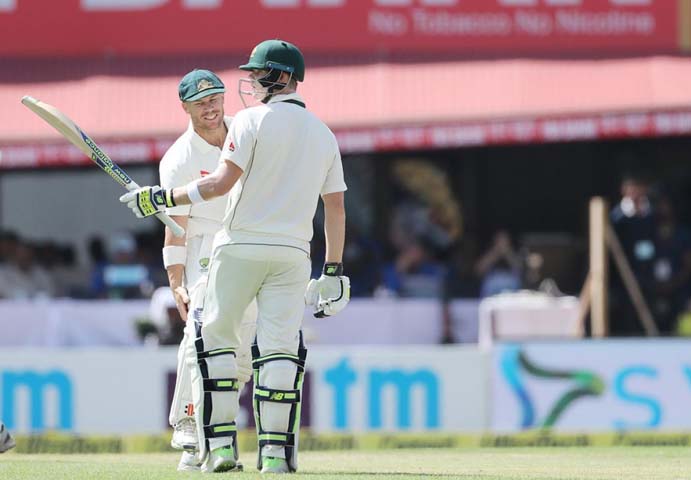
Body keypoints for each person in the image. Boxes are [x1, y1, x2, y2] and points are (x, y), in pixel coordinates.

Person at [121, 40, 349, 474]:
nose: (249, 83)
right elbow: (335, 208)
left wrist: (159, 197)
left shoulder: (247, 121)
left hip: (238, 245)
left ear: (279, 77)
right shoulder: (324, 132)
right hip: (290, 254)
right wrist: (334, 269)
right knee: (278, 351)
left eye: (258, 74)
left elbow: (220, 184)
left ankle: (222, 447)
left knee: (217, 344)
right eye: (201, 101)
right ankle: (263, 453)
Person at [157, 69, 257, 472]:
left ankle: (209, 434)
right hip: (204, 246)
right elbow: (175, 230)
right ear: (185, 108)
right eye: (201, 103)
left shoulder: (246, 133)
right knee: (199, 328)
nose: (211, 108)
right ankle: (186, 422)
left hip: (248, 241)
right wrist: (176, 284)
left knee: (239, 359)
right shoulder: (178, 159)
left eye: (215, 99)